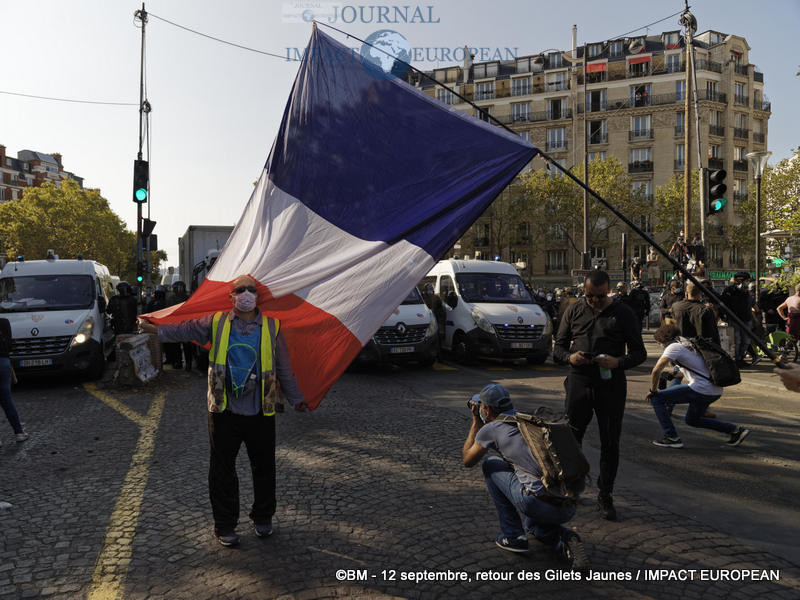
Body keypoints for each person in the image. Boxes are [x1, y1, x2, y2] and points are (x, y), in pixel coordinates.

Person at [138, 275, 308, 546]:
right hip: (223, 409)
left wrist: (297, 397)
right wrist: (155, 329)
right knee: (222, 470)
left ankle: (263, 518)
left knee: (264, 468)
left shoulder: (273, 327)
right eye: (240, 289)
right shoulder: (216, 323)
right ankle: (225, 525)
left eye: (251, 289)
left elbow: (284, 368)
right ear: (231, 296)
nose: (246, 294)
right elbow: (186, 329)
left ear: (258, 296)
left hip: (260, 411)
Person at [553, 270, 646, 521]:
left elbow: (640, 353)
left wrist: (619, 362)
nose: (594, 301)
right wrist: (569, 357)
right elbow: (558, 347)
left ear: (608, 292)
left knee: (610, 441)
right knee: (572, 439)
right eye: (589, 296)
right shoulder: (574, 310)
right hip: (579, 381)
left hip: (611, 384)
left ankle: (605, 495)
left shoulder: (623, 313)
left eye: (600, 296)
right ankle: (572, 487)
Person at [461, 383, 587, 570]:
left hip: (536, 503)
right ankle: (564, 539)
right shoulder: (528, 420)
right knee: (534, 526)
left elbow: (467, 460)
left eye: (480, 407)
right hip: (568, 502)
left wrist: (476, 423)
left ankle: (513, 537)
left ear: (486, 410)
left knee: (490, 464)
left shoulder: (491, 429)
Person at [647, 324, 750, 448]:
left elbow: (655, 370)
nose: (659, 345)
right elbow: (681, 374)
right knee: (692, 420)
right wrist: (669, 373)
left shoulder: (673, 347)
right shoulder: (688, 344)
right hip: (714, 390)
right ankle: (735, 430)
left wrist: (653, 390)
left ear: (662, 339)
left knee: (656, 399)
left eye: (658, 343)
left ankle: (671, 437)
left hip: (700, 389)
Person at [0, 317, 28, 444]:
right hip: (3, 361)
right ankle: (19, 433)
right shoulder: (4, 322)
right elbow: (9, 344)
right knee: (6, 399)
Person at [671, 280, 720, 345]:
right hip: (700, 347)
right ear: (700, 294)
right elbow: (713, 333)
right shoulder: (705, 310)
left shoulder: (676, 306)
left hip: (681, 345)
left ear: (686, 293)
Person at [721, 272, 754, 366]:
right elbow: (723, 303)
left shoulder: (748, 290)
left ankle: (741, 357)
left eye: (746, 280)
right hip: (734, 319)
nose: (744, 282)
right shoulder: (729, 290)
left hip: (747, 319)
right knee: (737, 340)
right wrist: (723, 316)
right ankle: (737, 360)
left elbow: (751, 304)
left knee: (746, 341)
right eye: (740, 280)